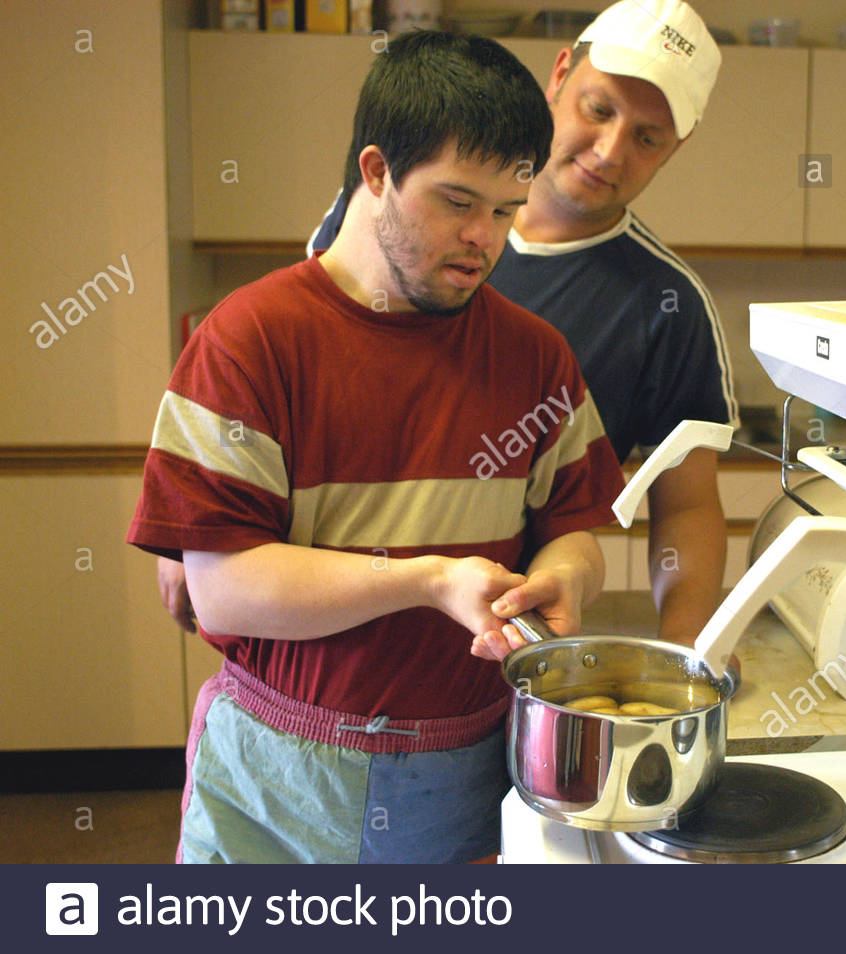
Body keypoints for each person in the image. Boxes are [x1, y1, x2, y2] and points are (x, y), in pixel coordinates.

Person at [128, 30, 625, 863]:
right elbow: (221, 592)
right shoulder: (250, 340)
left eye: (507, 210)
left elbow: (574, 528)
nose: (485, 239)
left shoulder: (537, 357)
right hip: (276, 785)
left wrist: (567, 576)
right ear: (376, 172)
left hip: (464, 775)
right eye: (457, 202)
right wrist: (430, 580)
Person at [157, 0, 739, 650]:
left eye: (648, 137)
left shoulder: (660, 304)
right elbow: (282, 363)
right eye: (599, 109)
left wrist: (689, 650)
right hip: (310, 649)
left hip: (483, 657)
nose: (609, 150)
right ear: (561, 74)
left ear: (677, 147)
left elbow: (681, 506)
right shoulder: (377, 221)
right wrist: (201, 524)